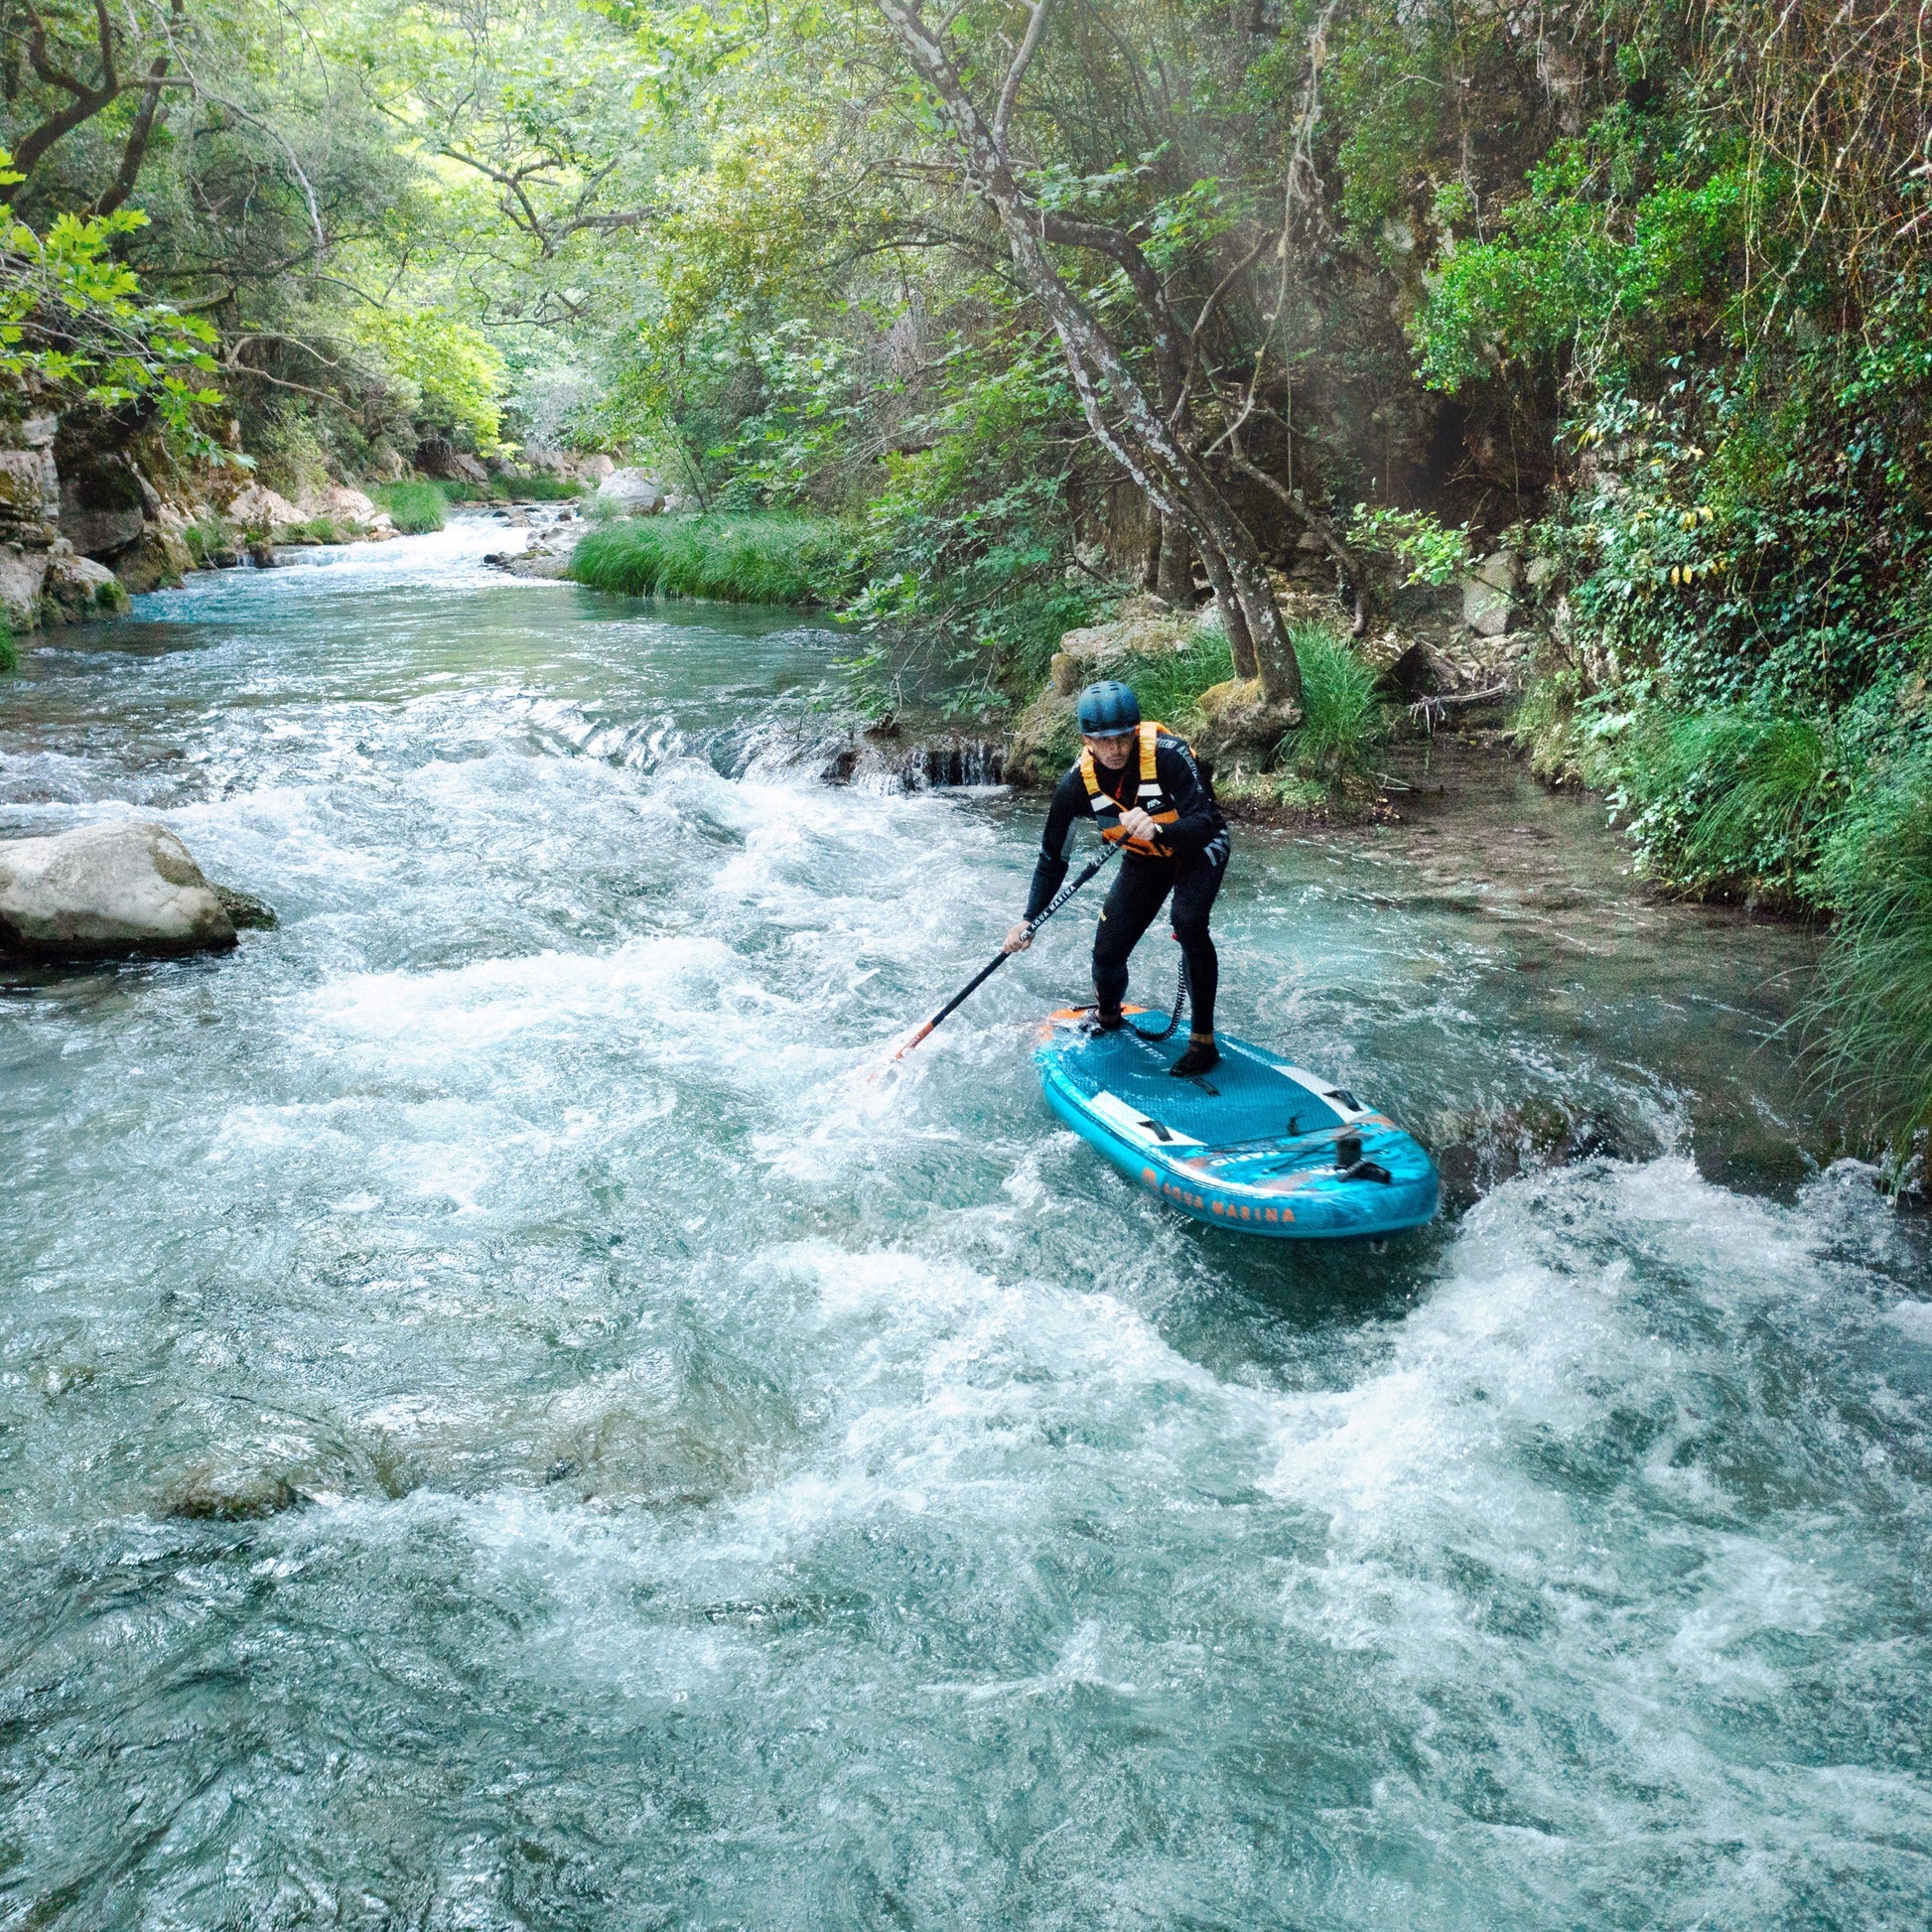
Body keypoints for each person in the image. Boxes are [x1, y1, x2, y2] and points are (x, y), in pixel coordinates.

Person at [1004, 678, 1230, 1077]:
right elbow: (1053, 858)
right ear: (1087, 740)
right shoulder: (1075, 786)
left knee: (1188, 921)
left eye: (1123, 738)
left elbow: (1203, 820)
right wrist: (1030, 918)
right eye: (1104, 741)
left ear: (1134, 732)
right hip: (1146, 859)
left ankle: (1203, 1043)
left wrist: (1159, 830)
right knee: (1108, 948)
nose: (1116, 749)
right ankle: (1108, 1018)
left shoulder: (1168, 757)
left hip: (1198, 846)